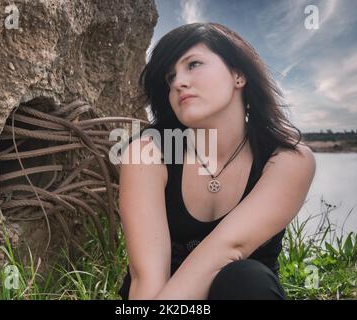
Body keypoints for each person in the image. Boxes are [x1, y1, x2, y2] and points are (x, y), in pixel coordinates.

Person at [116, 22, 316, 300]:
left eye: (194, 64)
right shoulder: (148, 152)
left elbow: (230, 247)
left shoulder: (288, 159)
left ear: (238, 74)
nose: (178, 82)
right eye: (170, 77)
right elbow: (146, 277)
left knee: (246, 278)